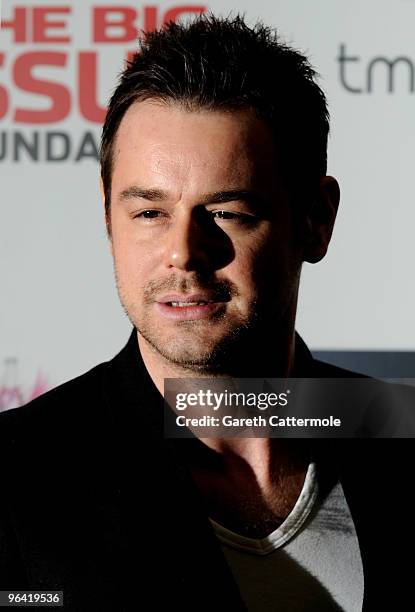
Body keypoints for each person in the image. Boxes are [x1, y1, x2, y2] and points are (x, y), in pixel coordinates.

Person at [0, 14, 413, 611]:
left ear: (317, 220)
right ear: (107, 215)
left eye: (227, 212)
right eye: (149, 213)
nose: (183, 254)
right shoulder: (18, 479)